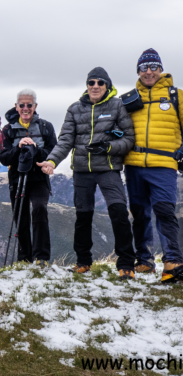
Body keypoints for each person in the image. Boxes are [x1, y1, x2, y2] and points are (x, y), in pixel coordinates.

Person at [37, 67, 136, 280]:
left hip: (108, 169)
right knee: (83, 216)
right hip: (82, 171)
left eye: (100, 82)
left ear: (107, 85)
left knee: (119, 212)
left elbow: (129, 139)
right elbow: (65, 140)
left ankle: (126, 263)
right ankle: (83, 262)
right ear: (87, 85)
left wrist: (107, 147)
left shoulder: (118, 106)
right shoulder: (74, 109)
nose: (95, 86)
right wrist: (52, 160)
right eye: (91, 82)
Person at [122, 49, 183, 283]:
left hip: (164, 164)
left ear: (161, 69)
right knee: (139, 214)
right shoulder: (128, 99)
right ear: (138, 71)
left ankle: (173, 263)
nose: (149, 72)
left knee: (165, 212)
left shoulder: (176, 96)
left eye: (153, 67)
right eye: (144, 68)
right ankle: (144, 260)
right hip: (134, 165)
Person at [0, 89, 57, 264]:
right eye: (22, 105)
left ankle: (41, 257)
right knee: (21, 217)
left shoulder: (46, 127)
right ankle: (24, 258)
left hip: (39, 179)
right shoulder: (8, 130)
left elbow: (54, 152)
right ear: (16, 107)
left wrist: (35, 149)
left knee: (40, 209)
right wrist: (18, 147)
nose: (25, 108)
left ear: (35, 106)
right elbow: (3, 157)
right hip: (17, 178)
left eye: (29, 105)